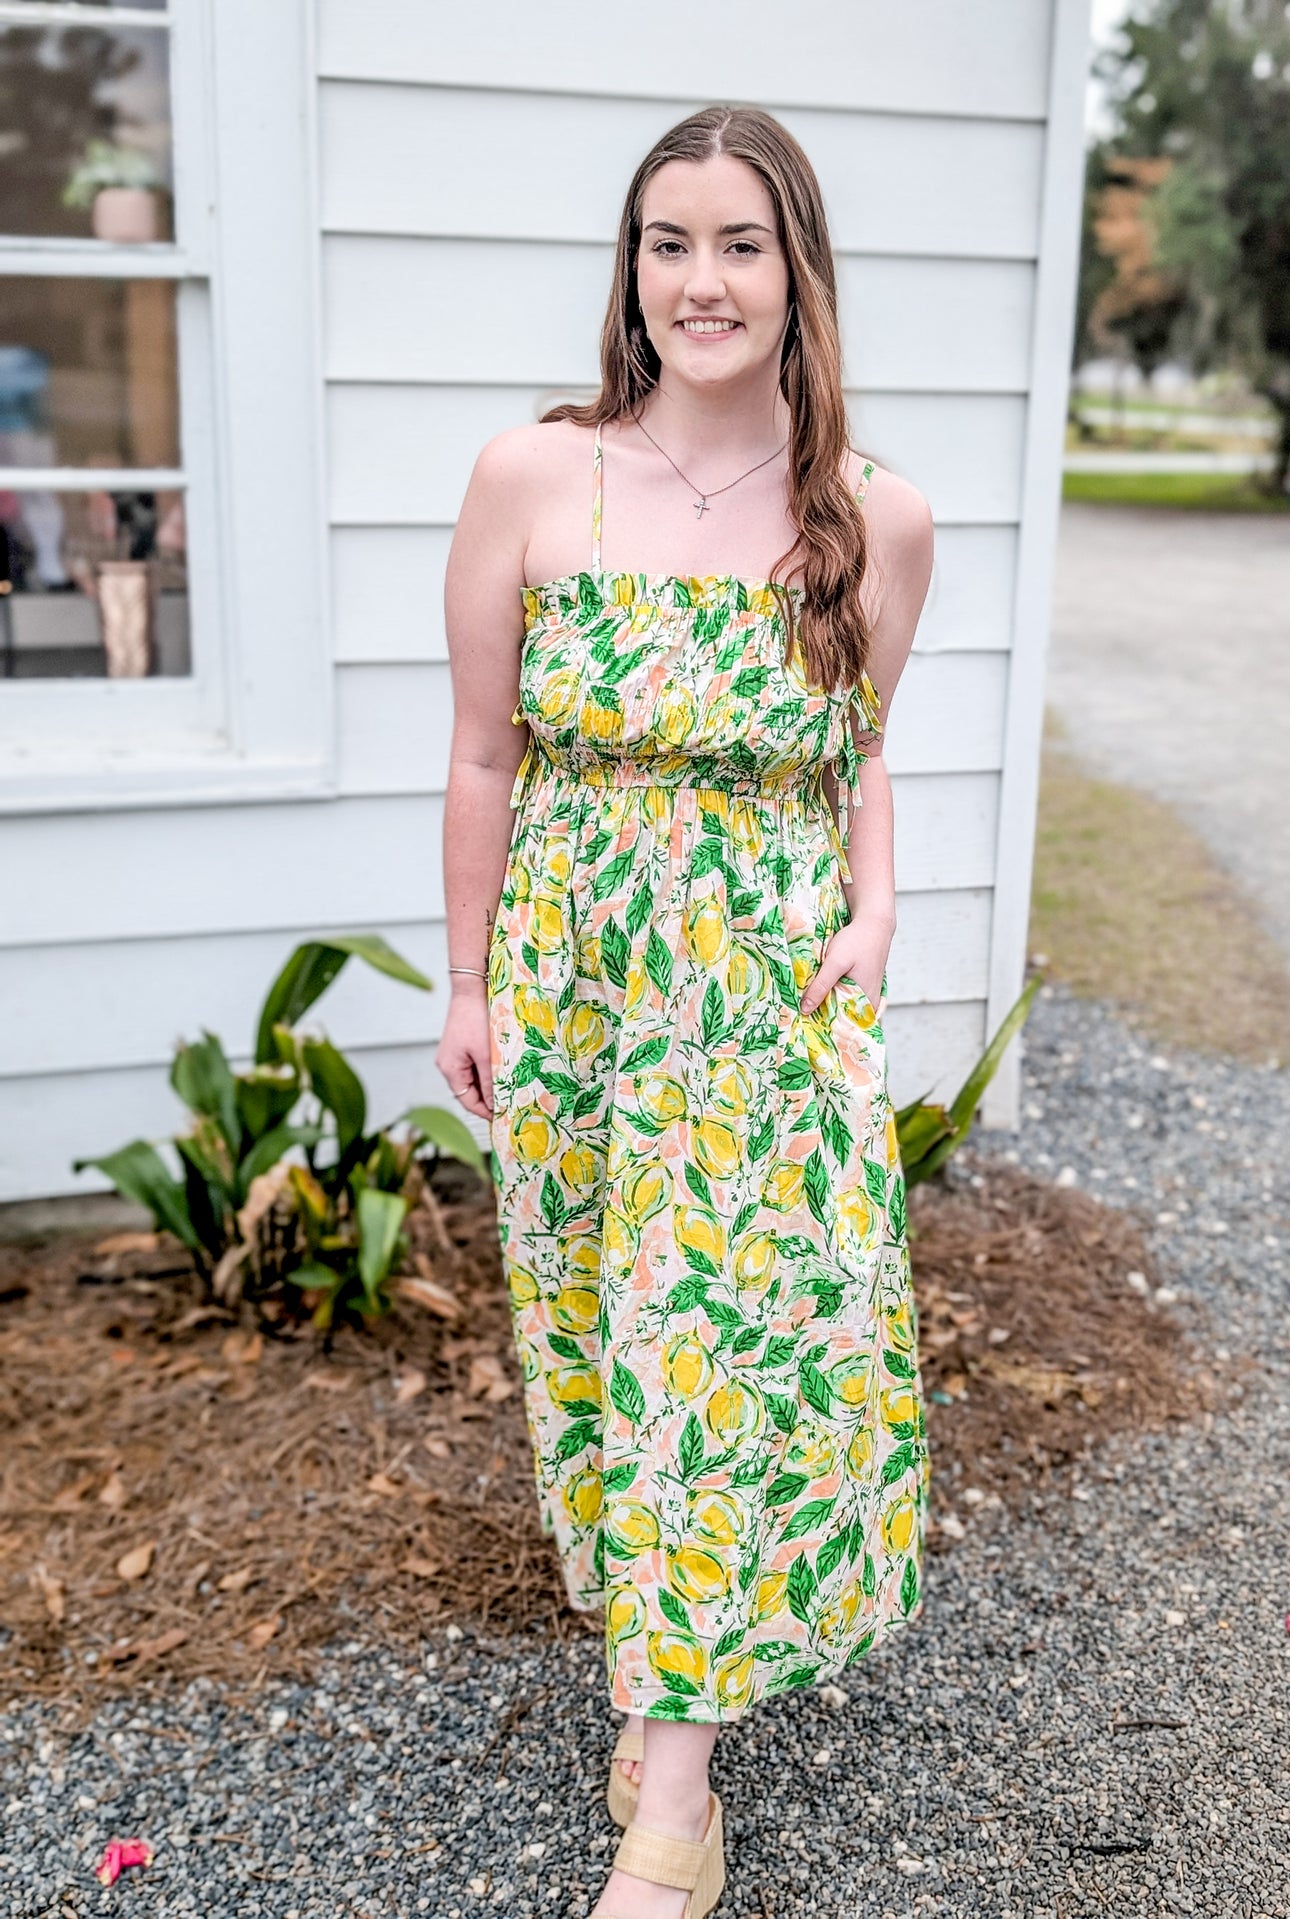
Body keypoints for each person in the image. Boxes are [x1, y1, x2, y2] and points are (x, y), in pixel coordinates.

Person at [437, 102, 934, 1919]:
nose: (700, 280)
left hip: (763, 996)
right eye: (668, 241)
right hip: (582, 982)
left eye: (740, 242)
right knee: (606, 1342)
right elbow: (486, 755)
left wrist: (880, 908)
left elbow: (857, 755)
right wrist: (471, 975)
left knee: (727, 1358)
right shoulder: (532, 477)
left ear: (799, 270)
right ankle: (666, 1668)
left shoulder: (876, 515)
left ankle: (675, 1805)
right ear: (629, 268)